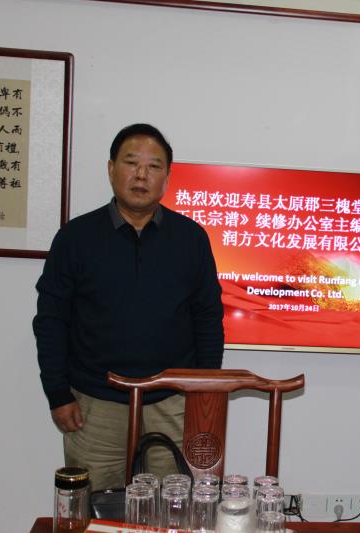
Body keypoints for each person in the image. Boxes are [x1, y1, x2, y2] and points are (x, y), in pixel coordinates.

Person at [33, 123, 224, 490]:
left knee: (173, 507)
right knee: (96, 506)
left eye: (154, 166)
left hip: (173, 403)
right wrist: (57, 393)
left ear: (167, 177)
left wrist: (203, 391)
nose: (141, 175)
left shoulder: (191, 239)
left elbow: (207, 317)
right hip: (95, 405)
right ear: (111, 169)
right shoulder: (75, 237)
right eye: (131, 162)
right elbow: (51, 320)